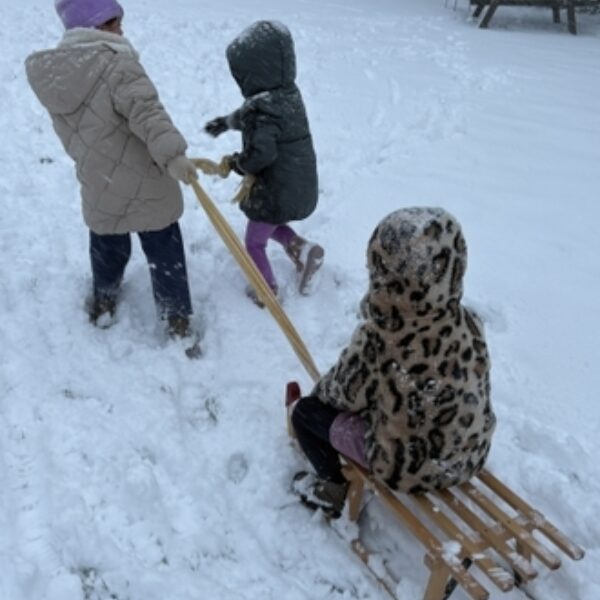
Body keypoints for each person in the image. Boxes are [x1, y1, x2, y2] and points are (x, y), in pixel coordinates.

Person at [291, 207, 497, 518]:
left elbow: (341, 393)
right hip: (470, 454)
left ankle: (332, 489)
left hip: (406, 467)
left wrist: (323, 394)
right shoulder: (469, 322)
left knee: (306, 413)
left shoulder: (382, 338)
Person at [25, 0, 198, 339]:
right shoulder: (118, 64)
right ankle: (176, 317)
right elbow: (148, 114)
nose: (121, 29)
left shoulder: (57, 75)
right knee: (164, 247)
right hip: (146, 179)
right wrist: (173, 155)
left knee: (107, 244)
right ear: (95, 26)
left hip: (98, 180)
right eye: (113, 22)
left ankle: (104, 300)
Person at [204, 20, 323, 306]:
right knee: (269, 224)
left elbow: (261, 154)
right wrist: (226, 122)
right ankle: (302, 250)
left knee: (254, 242)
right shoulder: (288, 96)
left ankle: (265, 289)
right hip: (298, 181)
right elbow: (251, 117)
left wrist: (237, 164)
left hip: (276, 189)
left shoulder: (262, 109)